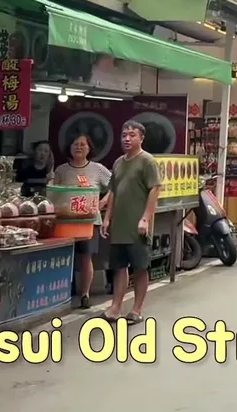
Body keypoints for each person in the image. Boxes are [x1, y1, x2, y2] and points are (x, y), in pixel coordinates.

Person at [101, 121, 160, 323]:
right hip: (119, 225)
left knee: (140, 268)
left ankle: (137, 309)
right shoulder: (118, 162)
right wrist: (107, 218)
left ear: (141, 138)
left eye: (132, 135)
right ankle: (115, 307)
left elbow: (155, 189)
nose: (127, 138)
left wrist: (145, 218)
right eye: (124, 135)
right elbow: (113, 192)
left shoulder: (147, 161)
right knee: (119, 267)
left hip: (138, 226)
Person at [53, 133, 110, 309]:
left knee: (86, 257)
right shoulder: (61, 170)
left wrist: (103, 202)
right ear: (69, 147)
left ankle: (85, 294)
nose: (78, 147)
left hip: (89, 221)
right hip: (65, 221)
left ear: (89, 148)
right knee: (65, 257)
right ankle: (63, 293)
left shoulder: (98, 169)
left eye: (82, 144)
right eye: (75, 144)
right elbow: (53, 192)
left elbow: (115, 186)